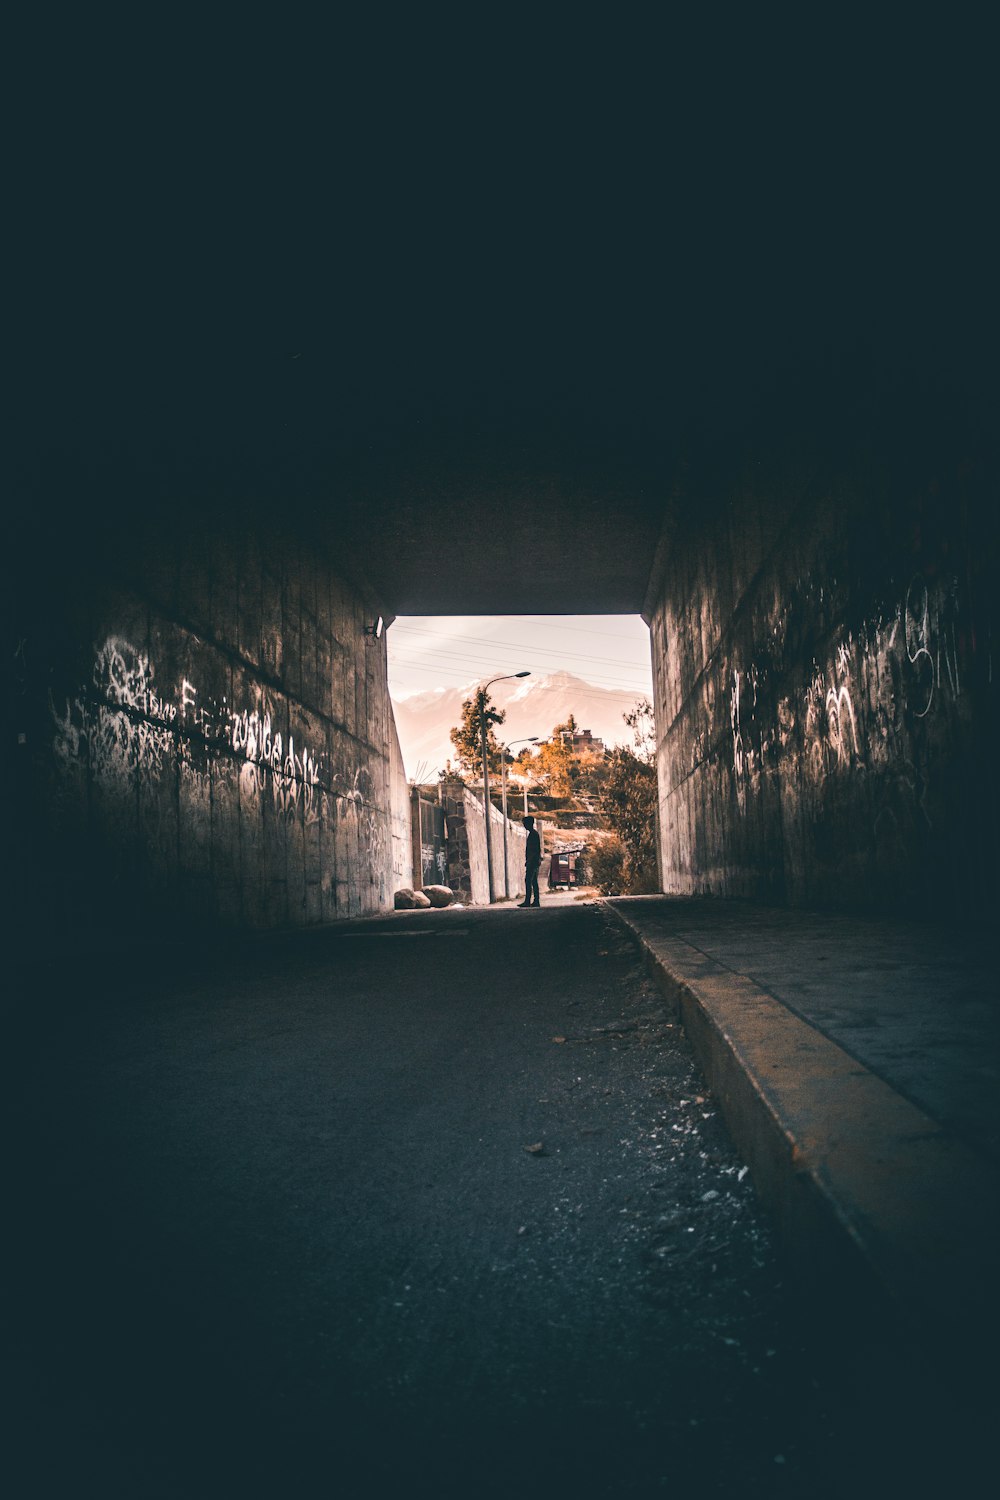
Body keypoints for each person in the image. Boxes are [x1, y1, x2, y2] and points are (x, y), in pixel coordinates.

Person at [519, 816, 541, 907]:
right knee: (534, 881)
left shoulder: (533, 835)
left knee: (528, 880)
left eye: (525, 823)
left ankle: (528, 901)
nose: (524, 825)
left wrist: (529, 861)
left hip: (532, 861)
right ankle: (536, 901)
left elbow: (534, 850)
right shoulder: (533, 834)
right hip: (534, 861)